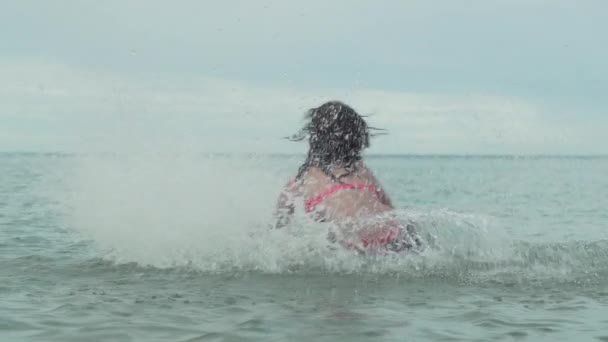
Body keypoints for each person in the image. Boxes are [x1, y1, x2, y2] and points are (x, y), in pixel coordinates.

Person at [274, 101, 421, 253]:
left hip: (350, 239)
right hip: (392, 232)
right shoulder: (361, 170)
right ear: (357, 138)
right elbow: (389, 206)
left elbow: (280, 224)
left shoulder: (302, 179)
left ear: (315, 138)